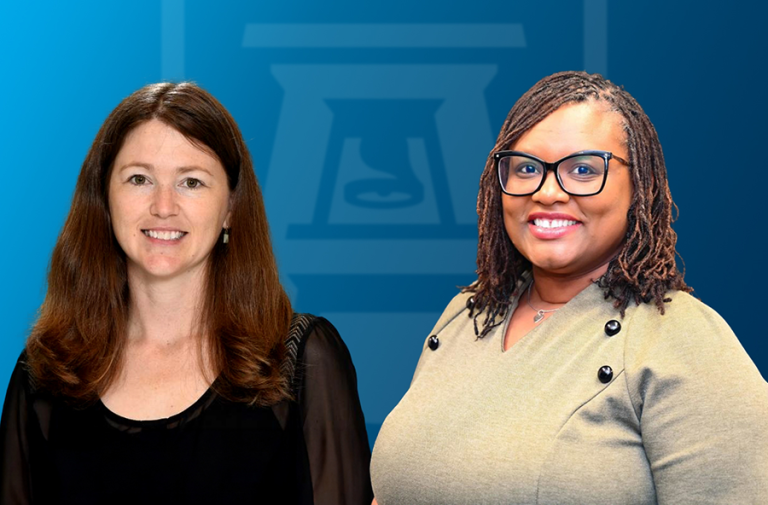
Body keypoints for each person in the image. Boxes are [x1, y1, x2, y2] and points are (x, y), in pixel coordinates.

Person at [370, 71, 768, 504]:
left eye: (582, 169)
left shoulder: (684, 341)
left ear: (640, 186)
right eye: (526, 168)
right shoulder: (467, 315)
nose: (548, 192)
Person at [0, 82, 372, 505]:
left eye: (191, 182)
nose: (163, 206)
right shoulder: (45, 373)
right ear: (104, 198)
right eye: (139, 179)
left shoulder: (302, 362)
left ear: (231, 207)